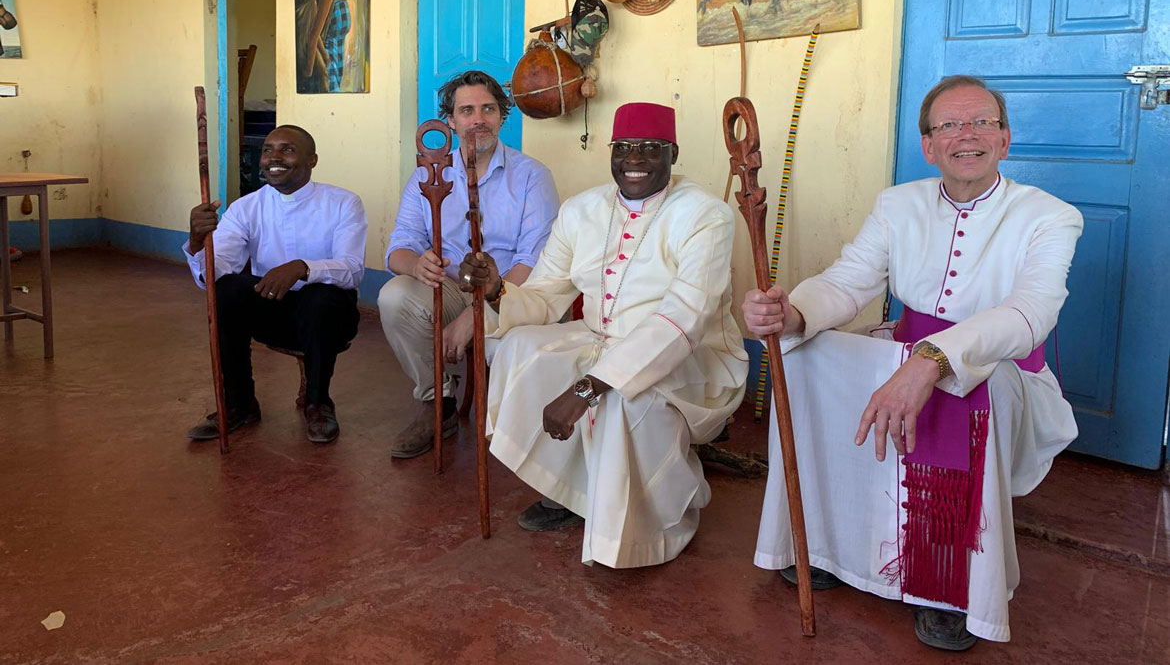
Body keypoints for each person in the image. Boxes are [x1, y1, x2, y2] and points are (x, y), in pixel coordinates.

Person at [743, 76, 1080, 649]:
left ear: (1005, 139)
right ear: (928, 145)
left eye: (981, 123)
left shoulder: (1050, 216)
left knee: (975, 384)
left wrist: (933, 359)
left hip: (1004, 375)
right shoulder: (898, 204)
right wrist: (790, 314)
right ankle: (824, 543)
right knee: (806, 354)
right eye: (948, 125)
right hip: (904, 349)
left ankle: (952, 584)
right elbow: (849, 282)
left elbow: (1030, 314)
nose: (965, 135)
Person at [460, 102, 747, 568]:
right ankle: (573, 489)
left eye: (650, 149)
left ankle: (661, 516)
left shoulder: (705, 215)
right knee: (515, 345)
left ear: (673, 154)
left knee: (623, 398)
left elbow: (684, 318)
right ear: (612, 152)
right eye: (624, 148)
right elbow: (545, 297)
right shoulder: (581, 210)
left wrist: (588, 387)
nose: (635, 159)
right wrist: (496, 290)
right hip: (598, 336)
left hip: (690, 355)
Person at [379, 70, 558, 459]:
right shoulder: (428, 176)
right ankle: (436, 404)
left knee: (512, 327)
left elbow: (535, 259)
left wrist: (476, 315)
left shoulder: (531, 177)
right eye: (467, 110)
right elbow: (398, 249)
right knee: (394, 297)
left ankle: (516, 430)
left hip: (509, 290)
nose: (478, 119)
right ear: (450, 121)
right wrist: (416, 266)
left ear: (502, 116)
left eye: (488, 109)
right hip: (451, 284)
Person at [184, 125, 366, 444]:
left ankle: (318, 403)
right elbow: (215, 274)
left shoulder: (343, 203)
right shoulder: (245, 208)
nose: (274, 158)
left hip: (328, 320)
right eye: (268, 150)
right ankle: (239, 404)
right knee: (227, 290)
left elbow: (352, 270)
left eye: (287, 149)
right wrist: (198, 243)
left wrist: (301, 268)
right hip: (273, 312)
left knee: (320, 296)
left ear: (313, 160)